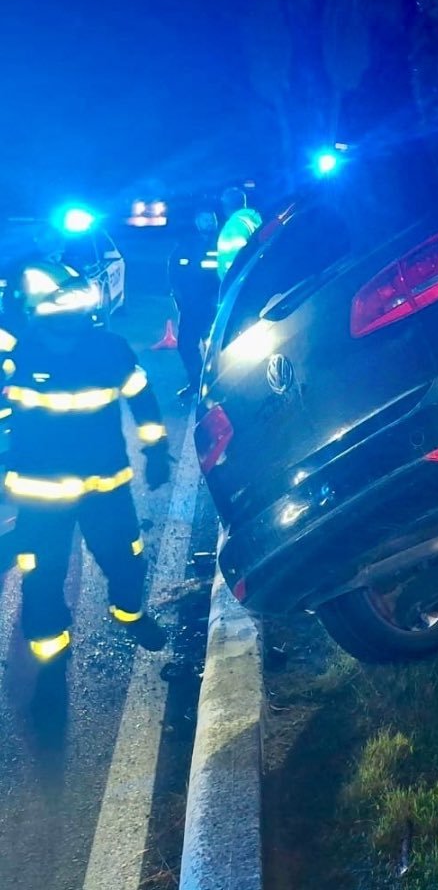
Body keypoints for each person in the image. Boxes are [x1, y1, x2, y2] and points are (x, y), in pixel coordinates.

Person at [0, 261, 171, 664]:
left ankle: (124, 615)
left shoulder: (102, 349)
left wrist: (157, 451)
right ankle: (51, 647)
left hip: (94, 488)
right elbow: (143, 401)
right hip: (58, 493)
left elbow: (142, 398)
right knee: (47, 570)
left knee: (114, 559)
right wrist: (155, 453)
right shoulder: (20, 351)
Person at [169, 210, 219, 399]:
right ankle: (197, 384)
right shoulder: (188, 244)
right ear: (197, 222)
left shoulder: (222, 242)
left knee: (215, 344)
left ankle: (213, 383)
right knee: (186, 345)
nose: (208, 223)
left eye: (210, 219)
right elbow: (174, 269)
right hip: (192, 304)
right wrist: (179, 295)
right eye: (204, 219)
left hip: (215, 302)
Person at [216, 186, 261, 281]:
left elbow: (231, 259)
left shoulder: (234, 227)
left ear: (225, 205)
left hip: (239, 282)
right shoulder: (254, 220)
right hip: (255, 276)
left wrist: (229, 280)